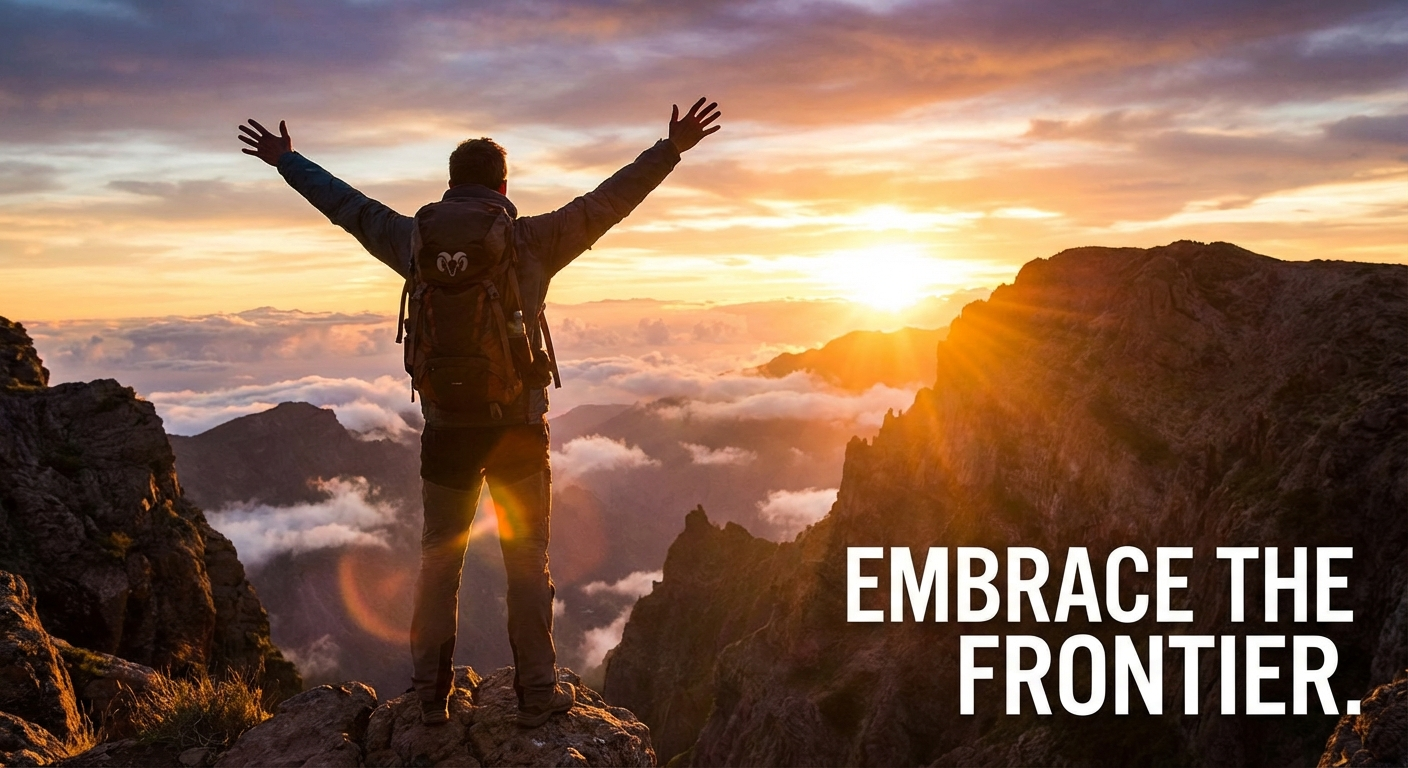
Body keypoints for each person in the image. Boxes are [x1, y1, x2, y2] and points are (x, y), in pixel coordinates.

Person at [237, 98, 721, 727]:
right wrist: (670, 148)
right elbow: (609, 202)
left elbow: (347, 207)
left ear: (450, 183)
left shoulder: (414, 240)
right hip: (517, 428)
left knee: (440, 560)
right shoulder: (530, 240)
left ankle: (429, 694)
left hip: (446, 432)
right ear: (501, 186)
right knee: (527, 563)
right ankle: (538, 695)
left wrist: (288, 161)